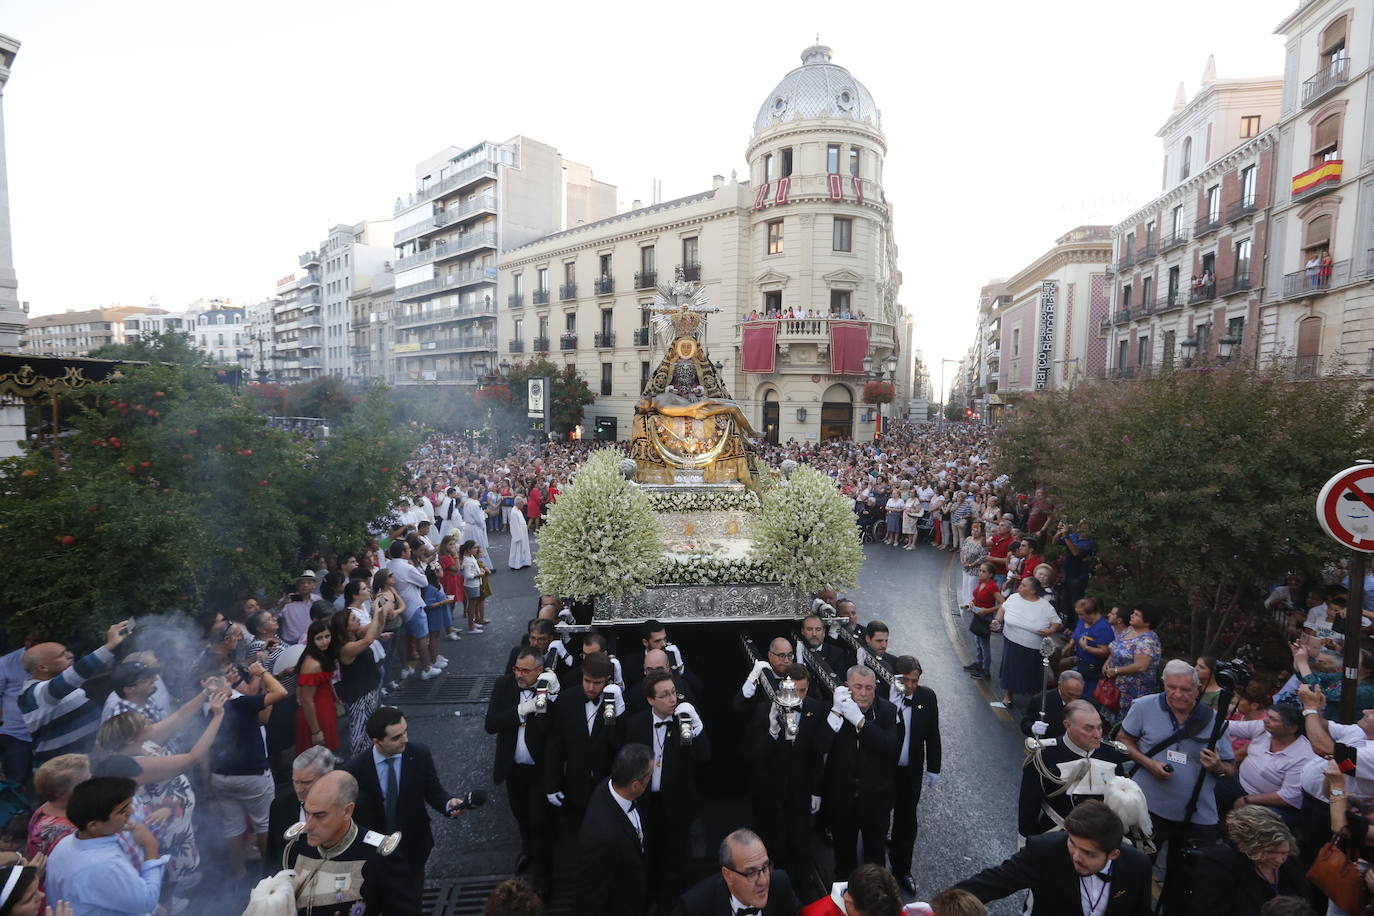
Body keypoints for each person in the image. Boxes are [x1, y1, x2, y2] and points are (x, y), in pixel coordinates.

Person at [1119, 658, 1237, 913]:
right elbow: (1124, 740)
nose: (1177, 694)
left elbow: (1230, 769)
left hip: (1196, 814)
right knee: (1135, 868)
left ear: (1198, 689)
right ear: (1164, 684)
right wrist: (1149, 764)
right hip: (1147, 807)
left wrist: (1217, 765)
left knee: (1187, 881)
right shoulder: (1144, 706)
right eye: (1171, 687)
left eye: (1184, 689)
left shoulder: (1214, 721)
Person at [343, 707, 465, 914]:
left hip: (412, 850)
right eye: (396, 737)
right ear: (376, 741)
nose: (405, 739)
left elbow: (433, 790)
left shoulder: (419, 755)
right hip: (372, 855)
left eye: (406, 732)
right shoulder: (355, 770)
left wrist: (447, 804)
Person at [955, 800, 1152, 915]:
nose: (1076, 856)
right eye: (1072, 843)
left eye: (1088, 853)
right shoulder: (1044, 851)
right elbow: (994, 881)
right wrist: (936, 907)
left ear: (1113, 854)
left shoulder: (1138, 866)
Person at [742, 664, 833, 898]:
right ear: (783, 686)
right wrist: (772, 732)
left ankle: (801, 890)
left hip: (800, 789)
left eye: (803, 690)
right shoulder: (765, 710)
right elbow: (752, 755)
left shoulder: (814, 708)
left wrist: (816, 790)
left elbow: (816, 754)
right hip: (770, 788)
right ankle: (767, 892)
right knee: (768, 841)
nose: (799, 696)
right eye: (795, 690)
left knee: (801, 842)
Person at [620, 671, 710, 905]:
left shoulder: (685, 721)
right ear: (651, 700)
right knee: (648, 859)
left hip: (677, 805)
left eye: (673, 693)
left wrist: (697, 725)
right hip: (646, 805)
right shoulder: (635, 724)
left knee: (677, 861)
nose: (672, 700)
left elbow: (704, 758)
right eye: (665, 695)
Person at [45, 776, 168, 916]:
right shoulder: (106, 865)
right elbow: (147, 902)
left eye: (129, 805)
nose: (132, 811)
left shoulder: (65, 843)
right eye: (122, 811)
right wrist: (150, 846)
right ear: (93, 825)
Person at [821, 665, 900, 882]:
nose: (864, 693)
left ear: (875, 688)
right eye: (858, 687)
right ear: (847, 688)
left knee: (875, 859)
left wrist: (861, 722)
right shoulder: (832, 709)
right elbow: (821, 746)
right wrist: (837, 713)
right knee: (844, 858)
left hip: (876, 800)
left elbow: (889, 746)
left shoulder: (887, 711)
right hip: (842, 799)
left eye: (868, 688)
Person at [484, 647, 555, 884]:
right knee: (522, 817)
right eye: (516, 668)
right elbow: (491, 723)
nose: (519, 675)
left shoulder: (547, 689)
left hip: (538, 769)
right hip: (513, 769)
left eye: (525, 670)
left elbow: (549, 730)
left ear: (540, 671)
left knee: (540, 822)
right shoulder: (504, 686)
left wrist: (551, 700)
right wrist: (520, 711)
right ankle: (528, 852)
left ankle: (543, 875)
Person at [281, 770, 393, 915]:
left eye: (319, 816)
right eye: (307, 813)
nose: (308, 826)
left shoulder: (378, 854)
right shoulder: (296, 846)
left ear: (347, 811)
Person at [20, 622, 128, 765]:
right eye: (61, 655)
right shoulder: (35, 694)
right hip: (60, 771)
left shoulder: (62, 688)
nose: (70, 656)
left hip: (86, 764)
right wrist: (109, 646)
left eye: (67, 651)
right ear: (42, 667)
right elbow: (74, 675)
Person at [1019, 700, 1131, 838]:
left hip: (1099, 840)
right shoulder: (1045, 756)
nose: (1097, 735)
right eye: (1088, 728)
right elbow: (1028, 810)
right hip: (1055, 838)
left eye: (1100, 727)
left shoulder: (1111, 753)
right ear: (1068, 725)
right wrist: (1028, 845)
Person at [543, 653, 623, 835]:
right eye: (587, 681)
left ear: (607, 681)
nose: (591, 687)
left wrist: (620, 712)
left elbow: (619, 744)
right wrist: (551, 785)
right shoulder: (566, 700)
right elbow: (555, 746)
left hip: (608, 784)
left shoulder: (616, 702)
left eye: (597, 683)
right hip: (575, 784)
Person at [577, 743, 654, 916]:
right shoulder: (603, 837)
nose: (650, 779)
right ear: (635, 785)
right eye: (649, 776)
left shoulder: (610, 786)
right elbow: (591, 895)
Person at [1190, 804, 1309, 914]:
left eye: (1284, 853)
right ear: (1250, 846)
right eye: (1271, 852)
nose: (1279, 859)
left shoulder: (1291, 864)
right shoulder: (1220, 867)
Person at [890, 656, 941, 896]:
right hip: (885, 770)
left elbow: (933, 734)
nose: (910, 686)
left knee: (907, 822)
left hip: (910, 771)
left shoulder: (927, 697)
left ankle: (902, 870)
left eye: (915, 680)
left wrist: (934, 768)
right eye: (906, 680)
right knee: (877, 818)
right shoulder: (884, 696)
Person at [1215, 704, 1312, 822]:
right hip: (1239, 783)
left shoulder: (1303, 756)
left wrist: (1247, 800)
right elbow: (1226, 726)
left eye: (1273, 719)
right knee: (1207, 787)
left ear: (1292, 728)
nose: (1266, 720)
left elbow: (1287, 797)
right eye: (1268, 716)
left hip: (1273, 804)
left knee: (1253, 820)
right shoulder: (1262, 728)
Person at [671, 828, 799, 916]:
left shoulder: (780, 884)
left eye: (765, 867)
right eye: (751, 873)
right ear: (728, 875)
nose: (763, 881)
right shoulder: (694, 907)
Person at [991, 575, 1061, 709]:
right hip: (1011, 641)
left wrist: (1050, 631)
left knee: (1031, 673)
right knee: (1010, 670)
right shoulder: (1013, 598)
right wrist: (997, 620)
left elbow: (1056, 622)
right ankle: (1007, 698)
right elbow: (1003, 609)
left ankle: (1034, 704)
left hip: (1032, 646)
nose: (1019, 587)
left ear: (1033, 591)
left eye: (1023, 585)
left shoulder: (1044, 606)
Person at [331, 596, 387, 756]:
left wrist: (381, 614)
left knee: (369, 726)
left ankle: (369, 756)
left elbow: (376, 633)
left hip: (369, 689)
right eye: (354, 619)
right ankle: (357, 761)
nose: (358, 620)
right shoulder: (346, 647)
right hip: (359, 694)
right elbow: (369, 639)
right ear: (345, 627)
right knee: (359, 729)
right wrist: (376, 612)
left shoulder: (356, 637)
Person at [268, 745, 336, 869]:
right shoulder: (280, 807)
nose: (299, 789)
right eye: (295, 781)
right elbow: (272, 857)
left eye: (306, 782)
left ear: (327, 778)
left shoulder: (348, 807)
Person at [1102, 604, 1164, 716]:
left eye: (1137, 615)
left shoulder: (1147, 641)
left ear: (1147, 622)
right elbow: (1115, 648)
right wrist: (1108, 662)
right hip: (1115, 687)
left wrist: (1116, 671)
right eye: (1133, 613)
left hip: (1134, 690)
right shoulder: (1129, 631)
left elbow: (1140, 666)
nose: (1132, 616)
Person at [26, 753, 90, 859]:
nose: (92, 783)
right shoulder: (63, 830)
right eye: (85, 781)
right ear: (61, 794)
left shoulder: (49, 807)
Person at [295, 620, 339, 754]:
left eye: (327, 636)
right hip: (316, 712)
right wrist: (315, 731)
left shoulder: (320, 655)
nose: (325, 641)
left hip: (324, 707)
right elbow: (306, 700)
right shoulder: (313, 664)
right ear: (311, 639)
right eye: (319, 638)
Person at [1020, 671, 1094, 741]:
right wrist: (1033, 728)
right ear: (1060, 686)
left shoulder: (1090, 704)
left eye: (1077, 695)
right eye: (1070, 694)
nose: (1073, 700)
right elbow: (1025, 724)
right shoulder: (1041, 700)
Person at [0, 640, 34, 785]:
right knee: (16, 782)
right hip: (14, 734)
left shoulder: (58, 659)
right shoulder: (6, 663)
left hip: (42, 733)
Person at [1064, 598, 1113, 697]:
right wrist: (1071, 644)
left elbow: (1105, 652)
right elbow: (1077, 633)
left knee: (1086, 695)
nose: (1079, 617)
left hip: (1093, 670)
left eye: (1081, 614)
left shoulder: (1103, 628)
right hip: (1081, 663)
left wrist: (1086, 647)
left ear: (1092, 613)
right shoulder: (1083, 621)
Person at [278, 572, 318, 645]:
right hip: (291, 642)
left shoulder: (317, 600)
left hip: (311, 640)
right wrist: (282, 604)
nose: (305, 585)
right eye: (302, 583)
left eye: (309, 582)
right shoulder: (286, 601)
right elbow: (274, 617)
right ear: (297, 585)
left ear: (314, 585)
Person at [508, 496, 532, 570]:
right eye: (522, 503)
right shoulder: (514, 512)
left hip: (523, 533)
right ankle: (516, 564)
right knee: (518, 549)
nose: (523, 504)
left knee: (523, 549)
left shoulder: (518, 511)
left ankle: (524, 562)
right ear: (518, 503)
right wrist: (518, 537)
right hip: (519, 535)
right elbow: (514, 525)